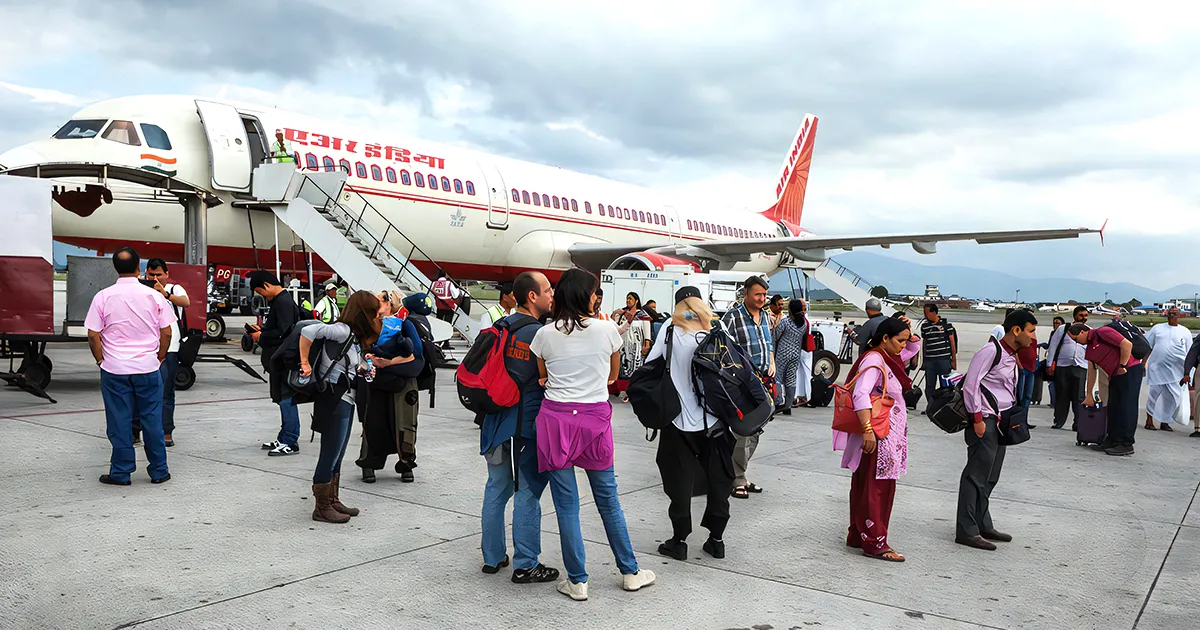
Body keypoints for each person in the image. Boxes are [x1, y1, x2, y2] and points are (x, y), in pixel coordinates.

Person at [529, 268, 655, 601]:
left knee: (566, 506)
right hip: (593, 419)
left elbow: (542, 375)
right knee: (608, 501)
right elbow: (613, 376)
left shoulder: (544, 334)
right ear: (586, 296)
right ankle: (629, 572)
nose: (597, 297)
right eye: (594, 292)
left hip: (555, 419)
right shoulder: (607, 329)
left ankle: (578, 580)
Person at [478, 271, 561, 584]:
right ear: (532, 297)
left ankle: (492, 557)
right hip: (526, 427)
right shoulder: (539, 334)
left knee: (496, 487)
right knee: (528, 492)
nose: (551, 295)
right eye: (547, 290)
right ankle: (526, 563)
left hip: (494, 422)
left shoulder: (499, 327)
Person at [649, 286, 736, 561]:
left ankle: (679, 540)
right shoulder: (718, 326)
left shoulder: (670, 329)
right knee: (720, 479)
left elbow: (651, 365)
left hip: (678, 421)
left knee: (679, 481)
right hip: (716, 420)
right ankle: (717, 539)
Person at [85, 247, 175, 486]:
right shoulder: (155, 296)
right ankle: (159, 470)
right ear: (138, 268)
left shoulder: (103, 296)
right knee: (152, 420)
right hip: (147, 367)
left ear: (116, 268)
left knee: (119, 421)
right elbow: (166, 331)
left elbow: (93, 334)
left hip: (115, 369)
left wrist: (101, 360)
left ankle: (121, 472)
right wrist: (160, 357)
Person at [834, 316, 921, 561]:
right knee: (877, 488)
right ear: (885, 338)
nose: (904, 345)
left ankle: (858, 534)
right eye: (900, 340)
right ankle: (875, 542)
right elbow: (860, 393)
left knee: (865, 485)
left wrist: (908, 333)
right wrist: (868, 429)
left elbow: (914, 347)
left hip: (886, 436)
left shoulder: (887, 357)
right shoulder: (875, 359)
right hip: (879, 436)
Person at [956, 309, 1037, 550]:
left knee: (990, 475)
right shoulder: (991, 351)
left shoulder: (1012, 355)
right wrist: (977, 418)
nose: (1033, 337)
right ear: (1016, 330)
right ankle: (966, 530)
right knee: (975, 475)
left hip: (1001, 421)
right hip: (985, 420)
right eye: (1031, 331)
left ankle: (982, 523)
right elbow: (970, 386)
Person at [300, 291, 381, 523]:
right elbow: (308, 331)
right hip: (335, 400)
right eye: (373, 312)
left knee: (338, 453)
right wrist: (304, 362)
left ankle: (332, 499)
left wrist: (364, 367)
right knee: (331, 453)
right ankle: (322, 507)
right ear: (363, 312)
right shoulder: (342, 330)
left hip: (345, 399)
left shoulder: (352, 336)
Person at [357, 291, 423, 483]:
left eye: (379, 300)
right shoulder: (369, 325)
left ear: (389, 304)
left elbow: (416, 354)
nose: (376, 304)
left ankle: (406, 463)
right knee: (373, 422)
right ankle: (369, 463)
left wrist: (388, 363)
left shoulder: (405, 324)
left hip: (402, 379)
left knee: (406, 423)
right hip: (377, 380)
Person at [722, 275, 776, 499]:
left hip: (763, 382)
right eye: (758, 294)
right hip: (743, 383)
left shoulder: (765, 316)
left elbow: (767, 343)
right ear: (746, 293)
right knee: (744, 431)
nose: (762, 299)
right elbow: (723, 346)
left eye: (764, 295)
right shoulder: (733, 317)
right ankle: (737, 478)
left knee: (756, 430)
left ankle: (739, 473)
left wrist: (771, 361)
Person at [248, 271, 303, 456]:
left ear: (266, 285)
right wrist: (263, 329)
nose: (261, 296)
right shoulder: (280, 301)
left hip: (284, 361)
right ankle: (284, 437)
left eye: (260, 292)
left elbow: (285, 333)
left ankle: (290, 440)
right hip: (279, 360)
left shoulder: (282, 303)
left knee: (287, 399)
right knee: (282, 399)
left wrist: (261, 336)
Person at [1071, 322, 1145, 456]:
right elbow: (1091, 372)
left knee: (1126, 407)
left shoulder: (1103, 332)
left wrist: (1122, 365)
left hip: (1129, 371)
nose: (1077, 343)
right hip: (1115, 376)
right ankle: (1112, 440)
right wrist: (1089, 394)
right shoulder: (1091, 347)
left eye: (1076, 339)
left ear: (1082, 332)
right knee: (1113, 407)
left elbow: (1126, 344)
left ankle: (1125, 443)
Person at [141, 258, 190, 448]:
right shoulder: (141, 290)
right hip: (145, 348)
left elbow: (186, 302)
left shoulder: (174, 289)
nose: (155, 278)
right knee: (140, 391)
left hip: (170, 349)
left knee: (166, 392)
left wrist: (165, 294)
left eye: (158, 274)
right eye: (151, 275)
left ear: (167, 274)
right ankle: (136, 429)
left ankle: (166, 430)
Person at [1143, 307, 1192, 432]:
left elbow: (1190, 353)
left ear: (1179, 315)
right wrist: (1143, 363)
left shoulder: (1185, 332)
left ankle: (1165, 421)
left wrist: (1188, 372)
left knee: (1172, 397)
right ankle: (1149, 420)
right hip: (1157, 368)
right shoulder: (1157, 328)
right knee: (1154, 394)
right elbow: (1147, 346)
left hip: (1176, 371)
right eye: (1170, 313)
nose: (1172, 315)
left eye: (1175, 313)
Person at [1047, 306, 1090, 430]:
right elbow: (1053, 346)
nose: (1084, 318)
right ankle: (1059, 421)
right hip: (1063, 366)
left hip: (1081, 366)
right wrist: (1050, 364)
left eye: (1086, 315)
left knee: (1079, 397)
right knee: (1062, 395)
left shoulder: (1089, 330)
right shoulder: (1063, 328)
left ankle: (1078, 423)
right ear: (1075, 315)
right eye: (1081, 315)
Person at [610, 292, 652, 401]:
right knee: (623, 368)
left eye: (630, 299)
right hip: (623, 346)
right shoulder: (623, 314)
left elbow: (647, 332)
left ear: (636, 301)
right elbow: (616, 327)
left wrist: (646, 345)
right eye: (627, 298)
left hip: (636, 347)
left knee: (636, 369)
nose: (628, 301)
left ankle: (632, 391)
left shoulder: (642, 315)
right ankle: (622, 390)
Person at [773, 298, 813, 413]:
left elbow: (775, 336)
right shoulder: (803, 323)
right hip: (795, 354)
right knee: (791, 379)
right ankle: (788, 405)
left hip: (782, 353)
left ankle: (778, 402)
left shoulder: (786, 322)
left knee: (778, 377)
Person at [919, 303, 957, 414]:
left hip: (944, 360)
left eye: (927, 313)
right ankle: (931, 407)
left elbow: (952, 344)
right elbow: (924, 344)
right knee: (929, 386)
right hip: (930, 361)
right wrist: (924, 361)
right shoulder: (925, 327)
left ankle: (944, 408)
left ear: (934, 312)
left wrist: (953, 360)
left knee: (945, 386)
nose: (925, 315)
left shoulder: (946, 326)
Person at [431, 269, 463, 348]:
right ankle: (446, 343)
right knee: (448, 324)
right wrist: (459, 290)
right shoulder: (449, 283)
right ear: (445, 275)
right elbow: (455, 295)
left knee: (439, 324)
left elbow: (433, 292)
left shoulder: (434, 283)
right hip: (448, 307)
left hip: (439, 306)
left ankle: (437, 342)